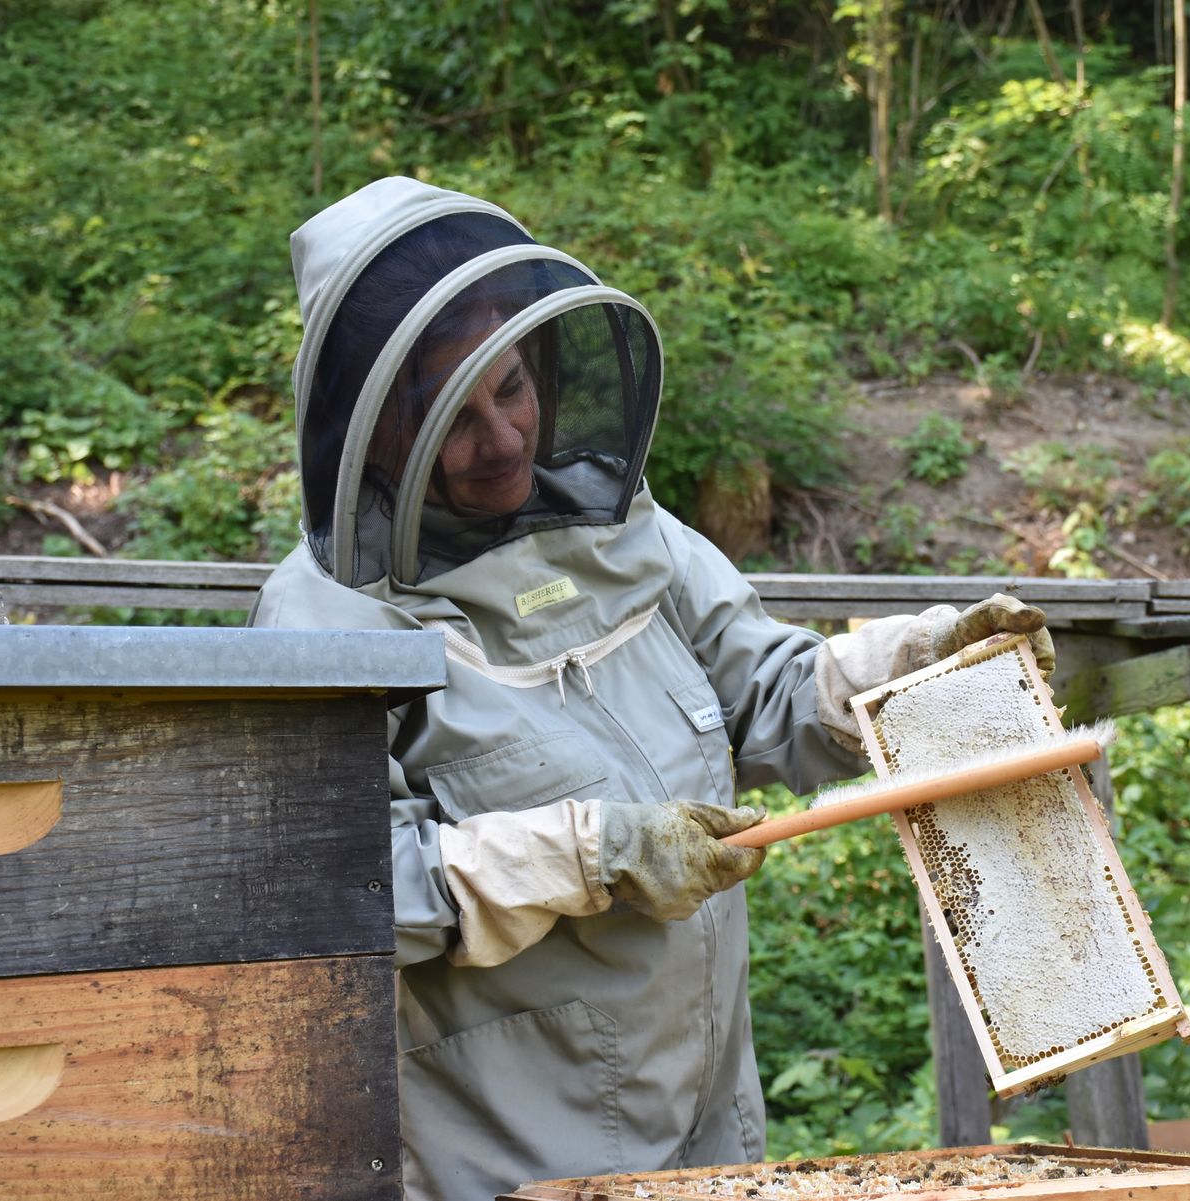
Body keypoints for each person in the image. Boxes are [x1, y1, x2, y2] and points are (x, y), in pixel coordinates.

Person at [250, 177, 1056, 1201]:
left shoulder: (628, 530)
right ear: (373, 430)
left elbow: (765, 694)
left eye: (512, 387)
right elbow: (355, 892)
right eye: (451, 412)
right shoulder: (323, 619)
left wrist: (921, 656)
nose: (501, 439)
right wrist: (592, 854)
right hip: (503, 1157)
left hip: (709, 1124)